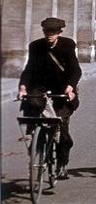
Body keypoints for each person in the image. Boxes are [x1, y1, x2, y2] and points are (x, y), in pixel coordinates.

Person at [17, 17, 82, 180]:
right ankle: (37, 142)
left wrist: (70, 87)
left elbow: (75, 69)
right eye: (46, 32)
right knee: (32, 105)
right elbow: (29, 69)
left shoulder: (67, 45)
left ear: (59, 32)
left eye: (52, 32)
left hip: (63, 90)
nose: (49, 35)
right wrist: (23, 87)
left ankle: (62, 166)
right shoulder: (36, 47)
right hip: (41, 89)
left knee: (63, 133)